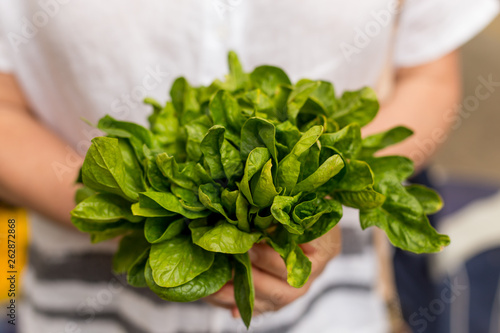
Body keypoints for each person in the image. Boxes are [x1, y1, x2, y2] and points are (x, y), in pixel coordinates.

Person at [0, 1, 498, 332]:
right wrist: (149, 220)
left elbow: (428, 75)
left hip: (329, 307)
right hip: (86, 309)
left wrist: (315, 205)